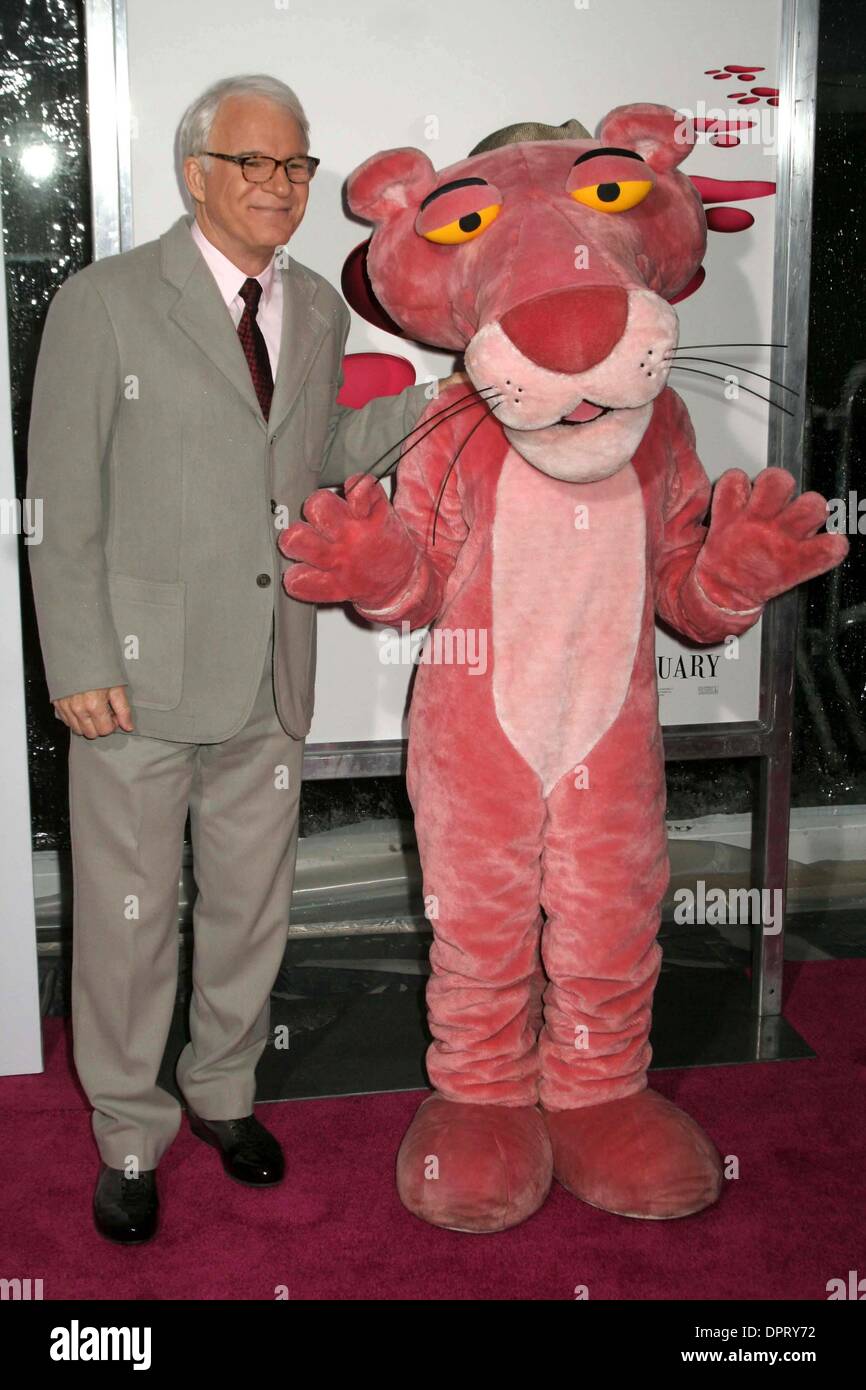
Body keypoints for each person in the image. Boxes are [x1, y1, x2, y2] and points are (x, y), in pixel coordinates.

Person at [26, 73, 455, 1244]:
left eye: (297, 166)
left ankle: (222, 1090)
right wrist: (74, 656)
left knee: (250, 911)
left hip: (273, 665)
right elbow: (59, 501)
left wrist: (442, 400)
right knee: (126, 919)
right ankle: (127, 1129)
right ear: (195, 173)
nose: (281, 186)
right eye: (254, 165)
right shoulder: (104, 301)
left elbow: (310, 457)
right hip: (133, 673)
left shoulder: (315, 305)